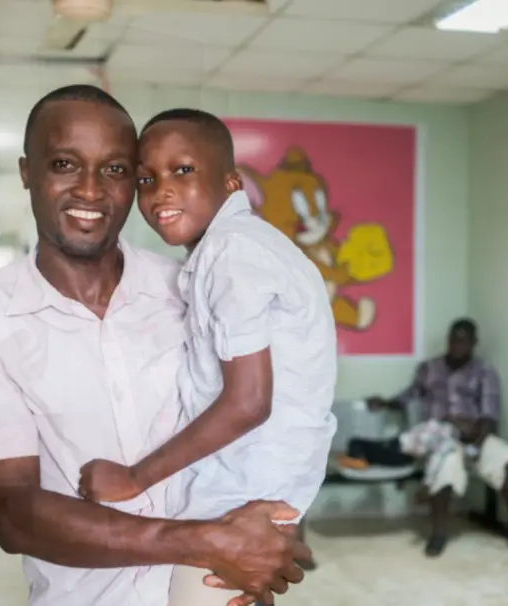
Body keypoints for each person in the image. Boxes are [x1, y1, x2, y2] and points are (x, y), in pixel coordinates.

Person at [0, 85, 308, 606]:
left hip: (207, 593)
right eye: (65, 163)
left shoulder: (186, 288)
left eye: (114, 170)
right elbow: (12, 513)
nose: (90, 190)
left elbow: (256, 410)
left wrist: (272, 531)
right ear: (27, 172)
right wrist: (209, 542)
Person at [77, 108, 337, 606]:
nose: (161, 192)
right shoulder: (241, 248)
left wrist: (133, 479)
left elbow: (248, 401)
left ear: (232, 181)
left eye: (183, 170)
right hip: (257, 483)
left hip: (241, 491)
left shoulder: (230, 253)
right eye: (146, 178)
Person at [340, 319, 508, 558]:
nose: (457, 345)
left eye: (463, 340)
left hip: (476, 434)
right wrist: (385, 401)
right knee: (446, 464)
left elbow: (490, 415)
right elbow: (410, 395)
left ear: (474, 343)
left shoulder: (484, 372)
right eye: (453, 339)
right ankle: (438, 532)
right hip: (439, 436)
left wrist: (476, 445)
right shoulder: (429, 369)